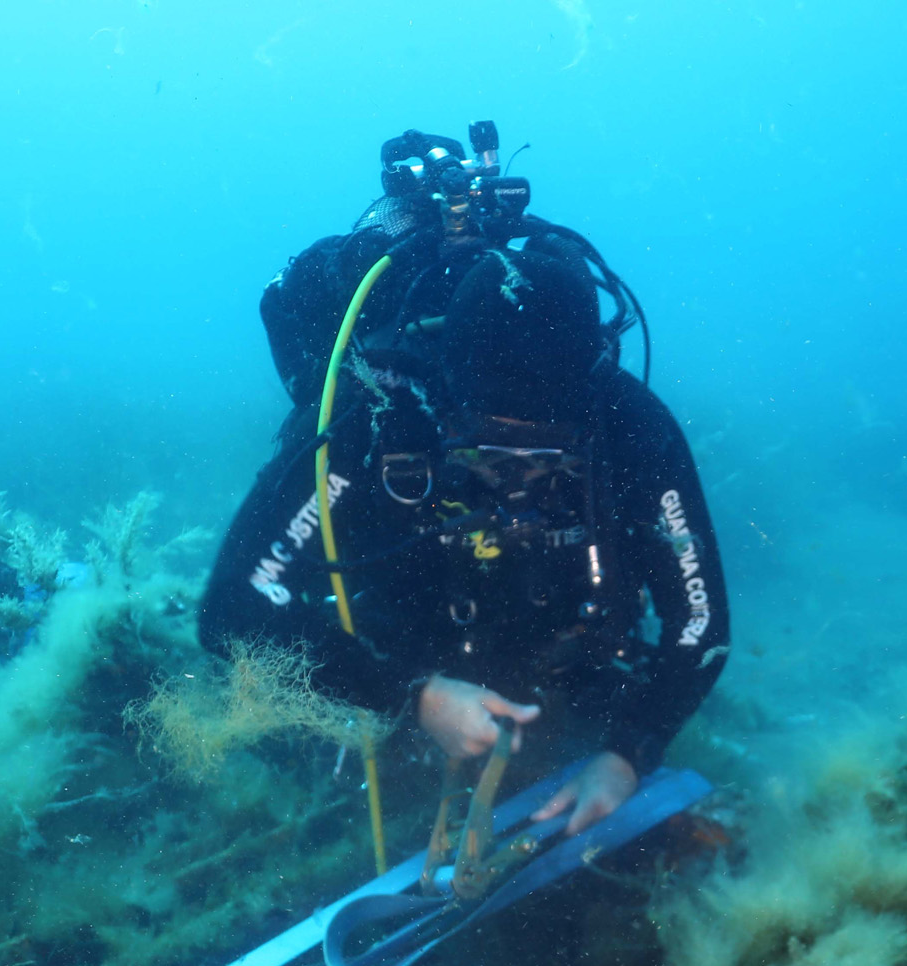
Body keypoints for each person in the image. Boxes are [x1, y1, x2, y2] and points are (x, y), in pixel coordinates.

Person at [200, 125, 729, 837]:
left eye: (545, 455)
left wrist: (630, 753)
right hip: (404, 664)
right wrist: (410, 697)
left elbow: (700, 622)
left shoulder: (629, 424)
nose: (515, 483)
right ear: (446, 400)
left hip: (569, 670)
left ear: (589, 403)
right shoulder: (379, 415)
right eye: (489, 451)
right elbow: (235, 607)